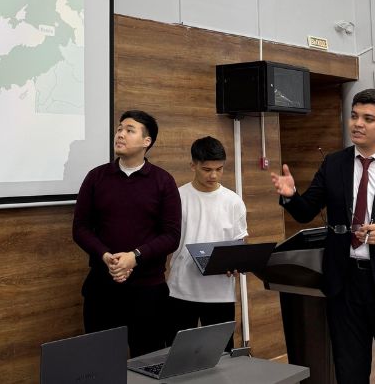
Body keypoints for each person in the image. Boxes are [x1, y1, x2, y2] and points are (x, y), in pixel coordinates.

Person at [271, 88, 375, 384]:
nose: (357, 124)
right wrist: (290, 195)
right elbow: (305, 211)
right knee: (349, 373)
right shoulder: (334, 163)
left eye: (368, 118)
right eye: (354, 116)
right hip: (345, 286)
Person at [72, 109, 182, 357]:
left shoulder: (163, 181)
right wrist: (105, 256)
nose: (120, 134)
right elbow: (80, 228)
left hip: (148, 291)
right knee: (100, 361)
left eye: (129, 130)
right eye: (120, 129)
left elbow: (171, 236)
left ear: (146, 141)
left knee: (148, 361)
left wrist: (135, 256)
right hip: (102, 288)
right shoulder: (96, 177)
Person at [166, 136, 247, 350]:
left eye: (219, 169)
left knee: (222, 356)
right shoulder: (177, 197)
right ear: (193, 165)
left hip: (220, 293)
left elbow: (239, 243)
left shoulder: (233, 201)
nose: (214, 175)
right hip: (181, 290)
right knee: (179, 356)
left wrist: (236, 263)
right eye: (207, 169)